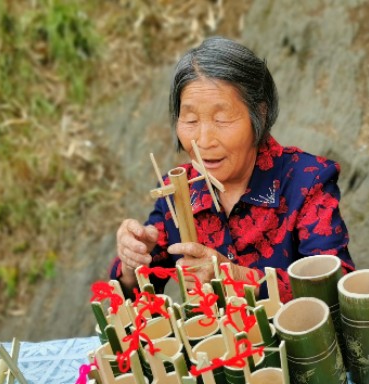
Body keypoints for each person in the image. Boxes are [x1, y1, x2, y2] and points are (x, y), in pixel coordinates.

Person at [111, 36, 354, 302]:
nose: (203, 141)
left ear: (259, 114)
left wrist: (234, 277)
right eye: (190, 120)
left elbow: (336, 286)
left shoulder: (307, 182)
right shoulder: (177, 192)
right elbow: (134, 298)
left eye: (222, 119)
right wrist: (131, 265)